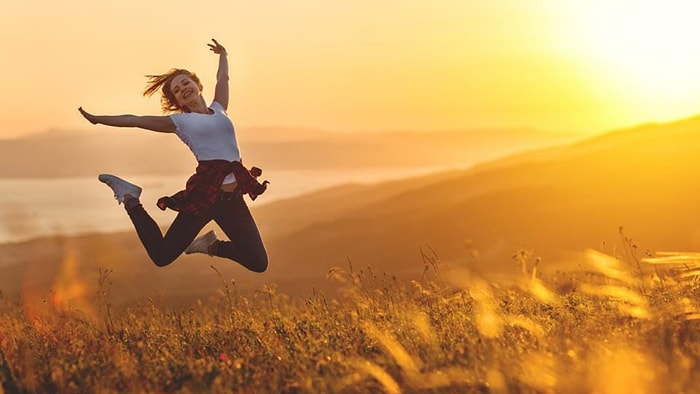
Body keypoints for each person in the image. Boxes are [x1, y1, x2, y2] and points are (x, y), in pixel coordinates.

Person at [78, 39, 269, 273]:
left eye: (185, 83)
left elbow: (222, 79)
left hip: (233, 200)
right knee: (162, 255)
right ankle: (130, 197)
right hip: (205, 197)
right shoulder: (181, 122)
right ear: (177, 102)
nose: (183, 89)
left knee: (258, 262)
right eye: (177, 91)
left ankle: (210, 245)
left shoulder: (219, 109)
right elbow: (134, 120)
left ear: (198, 85)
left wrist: (224, 55)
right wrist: (98, 119)